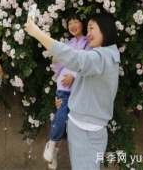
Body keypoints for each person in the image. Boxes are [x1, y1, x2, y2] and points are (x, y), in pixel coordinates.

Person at [25, 12, 120, 170]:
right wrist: (67, 102)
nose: (88, 34)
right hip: (83, 126)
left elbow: (74, 59)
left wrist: (37, 33)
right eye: (88, 29)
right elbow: (86, 85)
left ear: (105, 29)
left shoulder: (100, 57)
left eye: (91, 28)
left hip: (86, 130)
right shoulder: (108, 55)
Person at [44, 12, 91, 170]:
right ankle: (52, 145)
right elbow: (58, 70)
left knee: (69, 124)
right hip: (64, 89)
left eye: (76, 21)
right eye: (70, 23)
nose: (72, 25)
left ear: (82, 24)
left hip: (78, 91)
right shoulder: (66, 45)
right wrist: (55, 62)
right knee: (62, 116)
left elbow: (86, 64)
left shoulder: (88, 43)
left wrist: (73, 76)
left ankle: (54, 148)